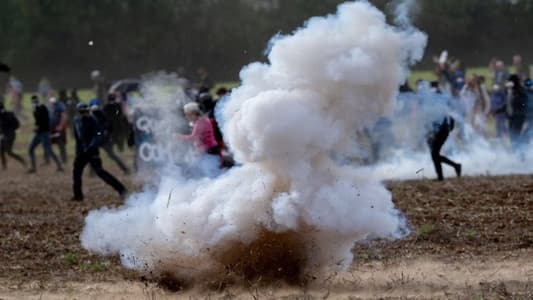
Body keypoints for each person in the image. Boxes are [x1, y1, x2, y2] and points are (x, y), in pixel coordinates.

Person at [71, 103, 127, 201]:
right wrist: (78, 151)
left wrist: (92, 146)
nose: (84, 113)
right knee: (76, 172)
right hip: (81, 152)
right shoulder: (76, 121)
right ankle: (78, 196)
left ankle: (121, 190)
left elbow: (98, 135)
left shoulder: (93, 121)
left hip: (91, 151)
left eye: (86, 111)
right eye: (82, 111)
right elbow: (77, 138)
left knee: (100, 172)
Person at [179, 102, 221, 175]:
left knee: (211, 174)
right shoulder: (200, 121)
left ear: (193, 113)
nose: (186, 117)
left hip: (209, 151)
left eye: (187, 114)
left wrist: (179, 137)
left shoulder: (201, 122)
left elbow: (194, 137)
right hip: (207, 151)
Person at [90, 99, 130, 175]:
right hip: (98, 139)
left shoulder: (102, 115)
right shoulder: (92, 117)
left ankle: (125, 169)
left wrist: (107, 134)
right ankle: (92, 172)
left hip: (104, 139)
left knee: (111, 155)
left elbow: (109, 127)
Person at [27, 95, 63, 173]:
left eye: (35, 101)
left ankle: (60, 166)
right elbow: (38, 121)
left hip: (45, 133)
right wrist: (36, 127)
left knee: (49, 150)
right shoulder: (36, 109)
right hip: (39, 133)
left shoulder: (42, 108)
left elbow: (44, 120)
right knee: (30, 148)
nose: (34, 103)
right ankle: (33, 168)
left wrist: (38, 126)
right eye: (33, 101)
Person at [427, 116, 461, 181]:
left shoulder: (436, 107)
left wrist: (447, 128)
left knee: (435, 154)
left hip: (440, 131)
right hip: (442, 130)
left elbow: (450, 117)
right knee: (435, 155)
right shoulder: (435, 107)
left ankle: (456, 166)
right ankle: (441, 177)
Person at [0, 102, 25, 169]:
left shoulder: (6, 116)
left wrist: (10, 131)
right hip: (9, 135)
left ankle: (22, 160)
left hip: (9, 136)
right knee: (2, 150)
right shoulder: (9, 114)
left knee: (8, 152)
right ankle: (4, 165)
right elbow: (17, 124)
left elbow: (16, 124)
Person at [506, 74, 528, 151]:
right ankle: (516, 151)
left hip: (519, 117)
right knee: (512, 135)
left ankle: (520, 153)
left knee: (515, 135)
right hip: (512, 117)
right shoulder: (512, 91)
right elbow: (508, 104)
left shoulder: (520, 90)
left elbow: (524, 103)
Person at [48, 96, 68, 163]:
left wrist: (60, 126)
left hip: (58, 129)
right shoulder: (49, 106)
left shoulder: (60, 105)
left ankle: (64, 159)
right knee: (47, 144)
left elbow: (64, 116)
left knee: (60, 144)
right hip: (50, 129)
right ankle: (48, 160)